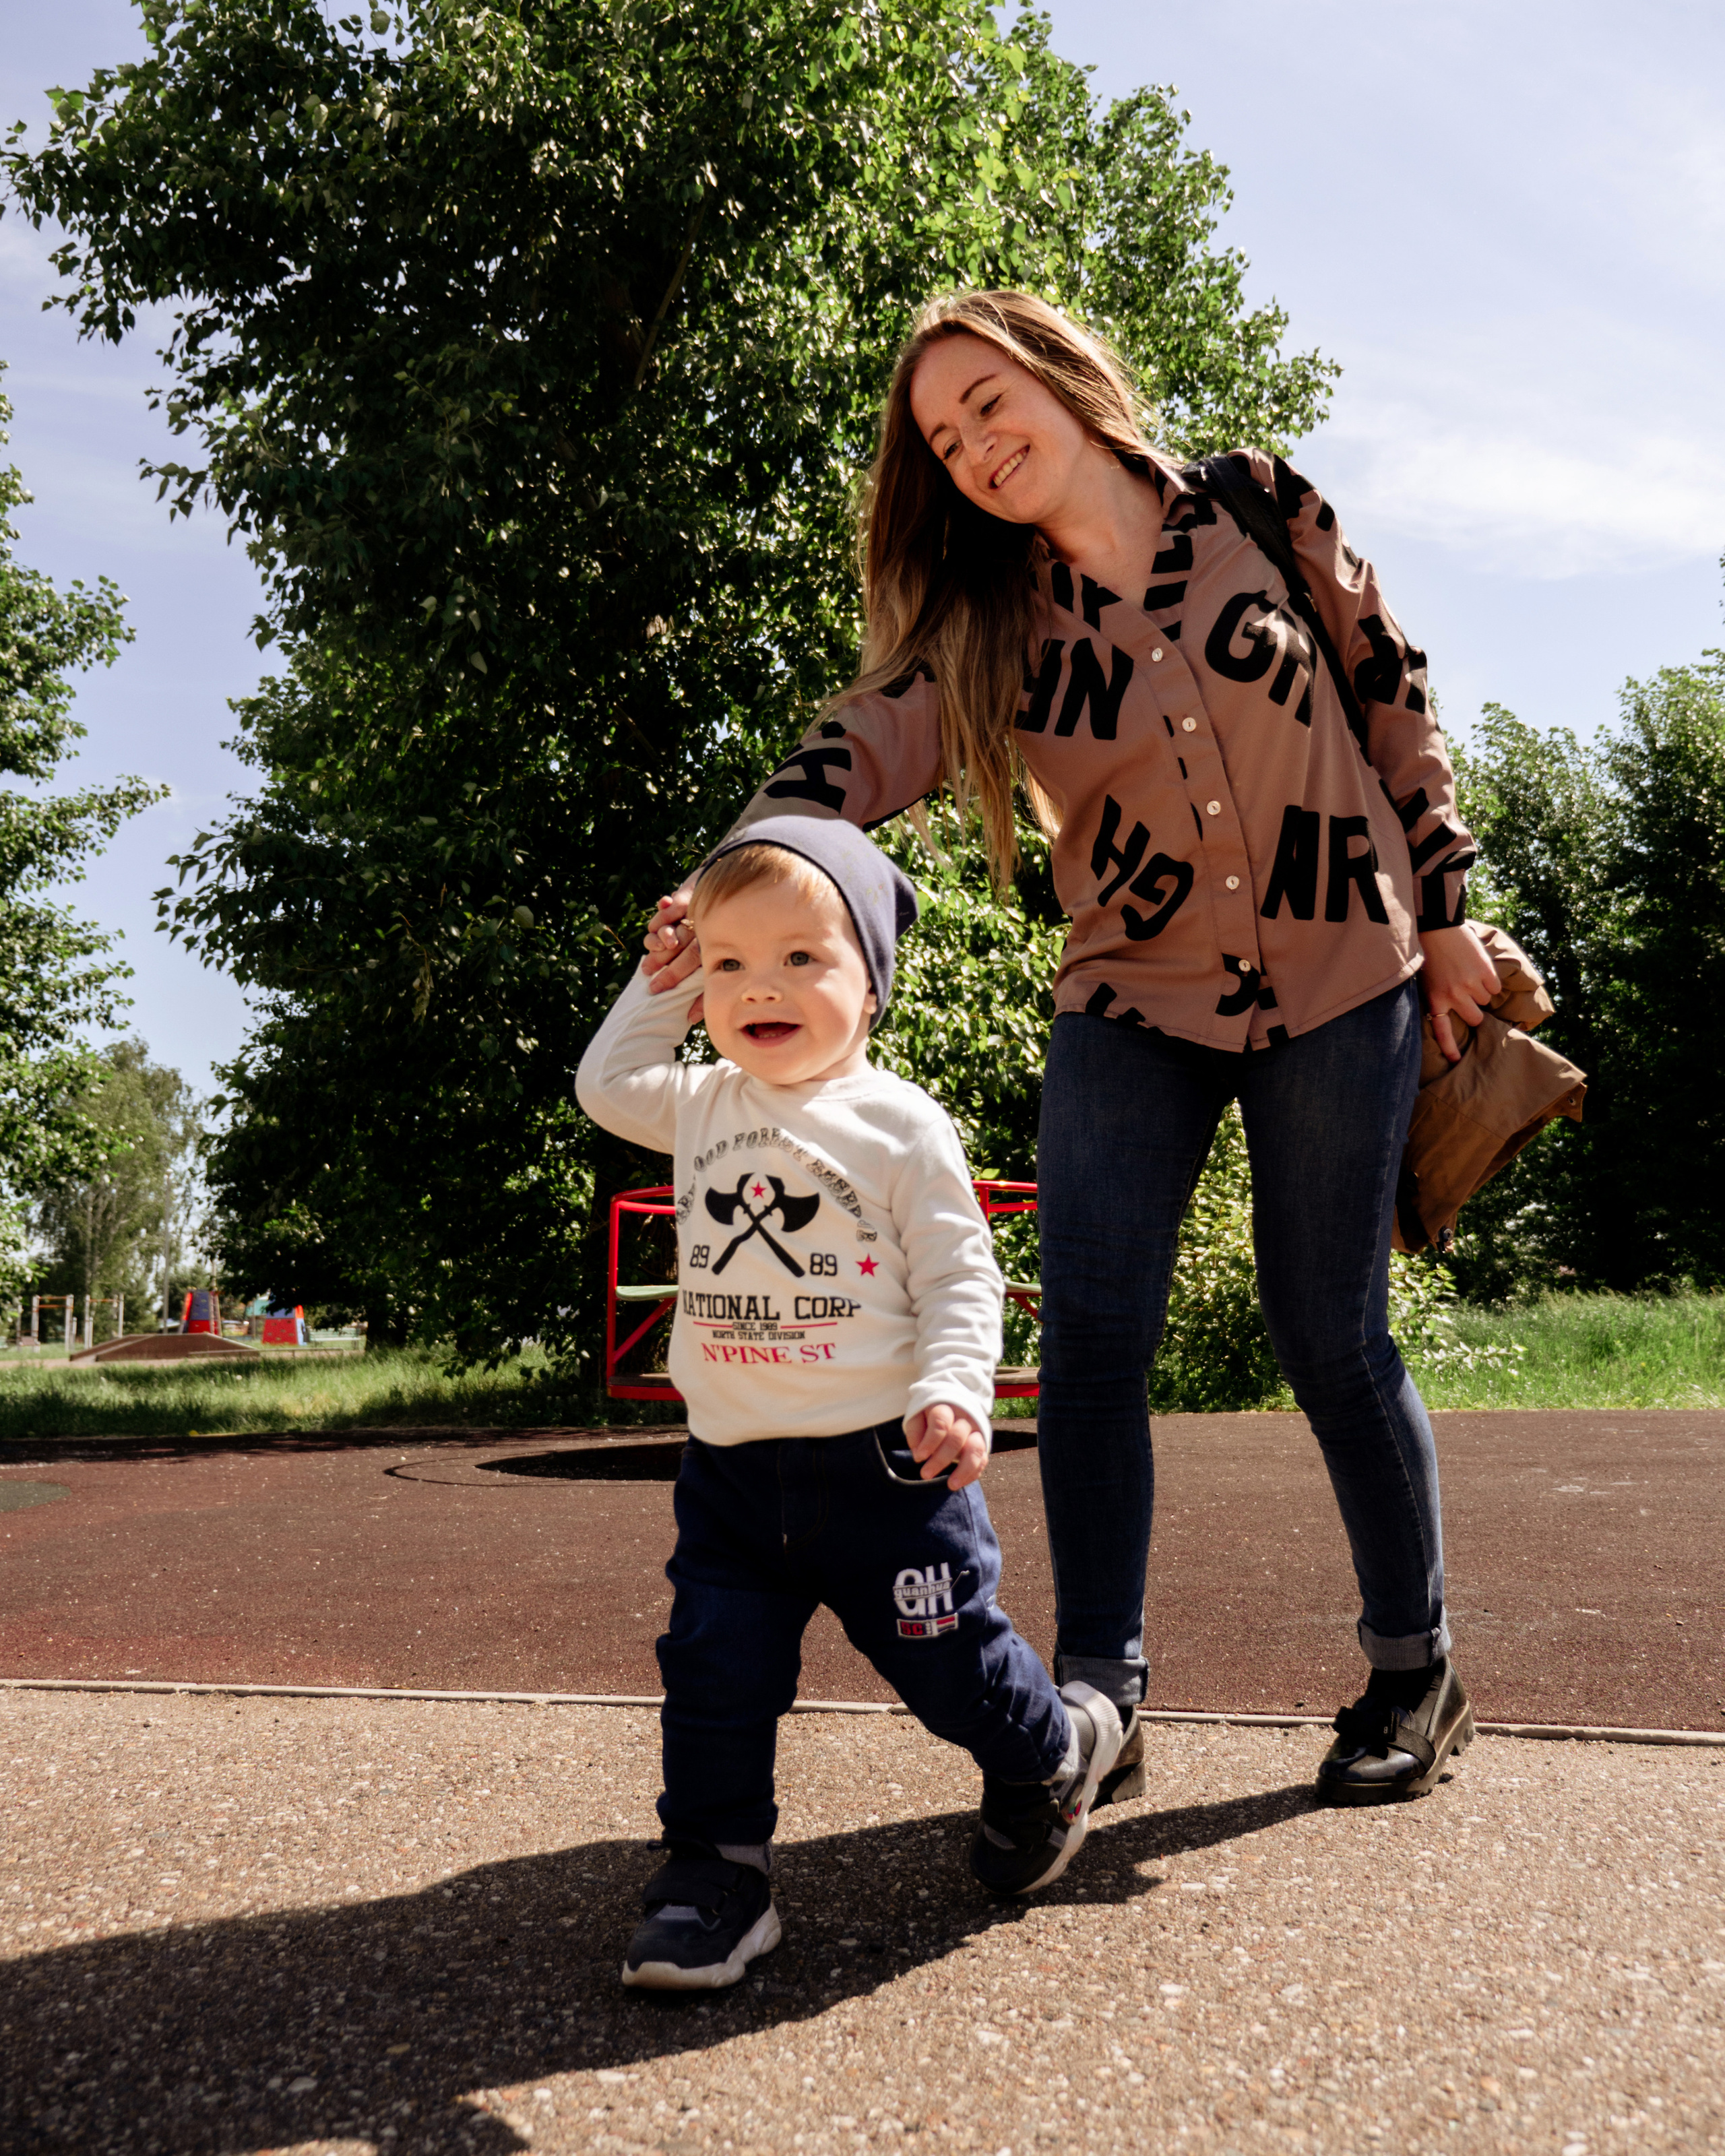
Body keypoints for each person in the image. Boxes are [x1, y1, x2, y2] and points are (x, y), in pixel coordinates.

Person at [644, 290, 1496, 1808]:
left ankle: (1412, 1668)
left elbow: (1389, 691)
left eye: (986, 403)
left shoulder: (1253, 504)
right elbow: (852, 749)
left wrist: (1443, 911)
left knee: (1331, 1335)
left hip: (1339, 966)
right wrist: (727, 876)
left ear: (1057, 371)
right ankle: (1100, 1694)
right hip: (1131, 996)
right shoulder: (989, 625)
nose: (971, 447)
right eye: (940, 439)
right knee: (1092, 1349)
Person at [576, 815, 1123, 1992]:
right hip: (730, 1475)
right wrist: (658, 978)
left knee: (954, 1671)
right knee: (714, 1676)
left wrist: (951, 1391)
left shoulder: (897, 1121)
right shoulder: (703, 1101)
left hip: (886, 1475)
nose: (760, 987)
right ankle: (714, 1873)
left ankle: (1053, 1751)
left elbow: (960, 1274)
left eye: (801, 959)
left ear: (870, 982)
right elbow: (606, 1081)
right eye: (729, 964)